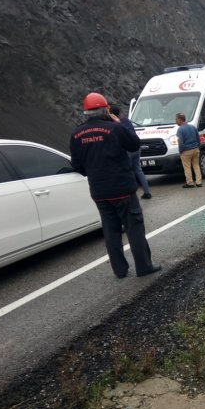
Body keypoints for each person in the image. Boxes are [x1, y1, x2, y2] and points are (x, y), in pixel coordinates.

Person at [70, 92, 160, 279]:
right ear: (106, 110)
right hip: (122, 189)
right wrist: (119, 123)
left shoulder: (76, 134)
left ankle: (120, 270)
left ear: (85, 112)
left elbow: (77, 165)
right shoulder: (114, 129)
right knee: (134, 227)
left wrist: (94, 173)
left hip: (99, 191)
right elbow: (134, 144)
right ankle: (144, 266)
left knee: (111, 231)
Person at [109, 104, 152, 199]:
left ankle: (132, 195)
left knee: (128, 171)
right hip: (137, 146)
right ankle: (147, 192)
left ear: (112, 114)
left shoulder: (116, 124)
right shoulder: (127, 120)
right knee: (138, 170)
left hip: (128, 149)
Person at [175, 112, 202, 188]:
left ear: (180, 120)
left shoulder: (180, 130)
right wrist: (197, 146)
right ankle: (199, 182)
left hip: (186, 151)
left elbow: (180, 142)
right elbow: (198, 139)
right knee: (196, 165)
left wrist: (181, 151)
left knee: (187, 167)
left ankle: (190, 182)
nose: (176, 121)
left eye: (176, 119)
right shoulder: (193, 127)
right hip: (195, 149)